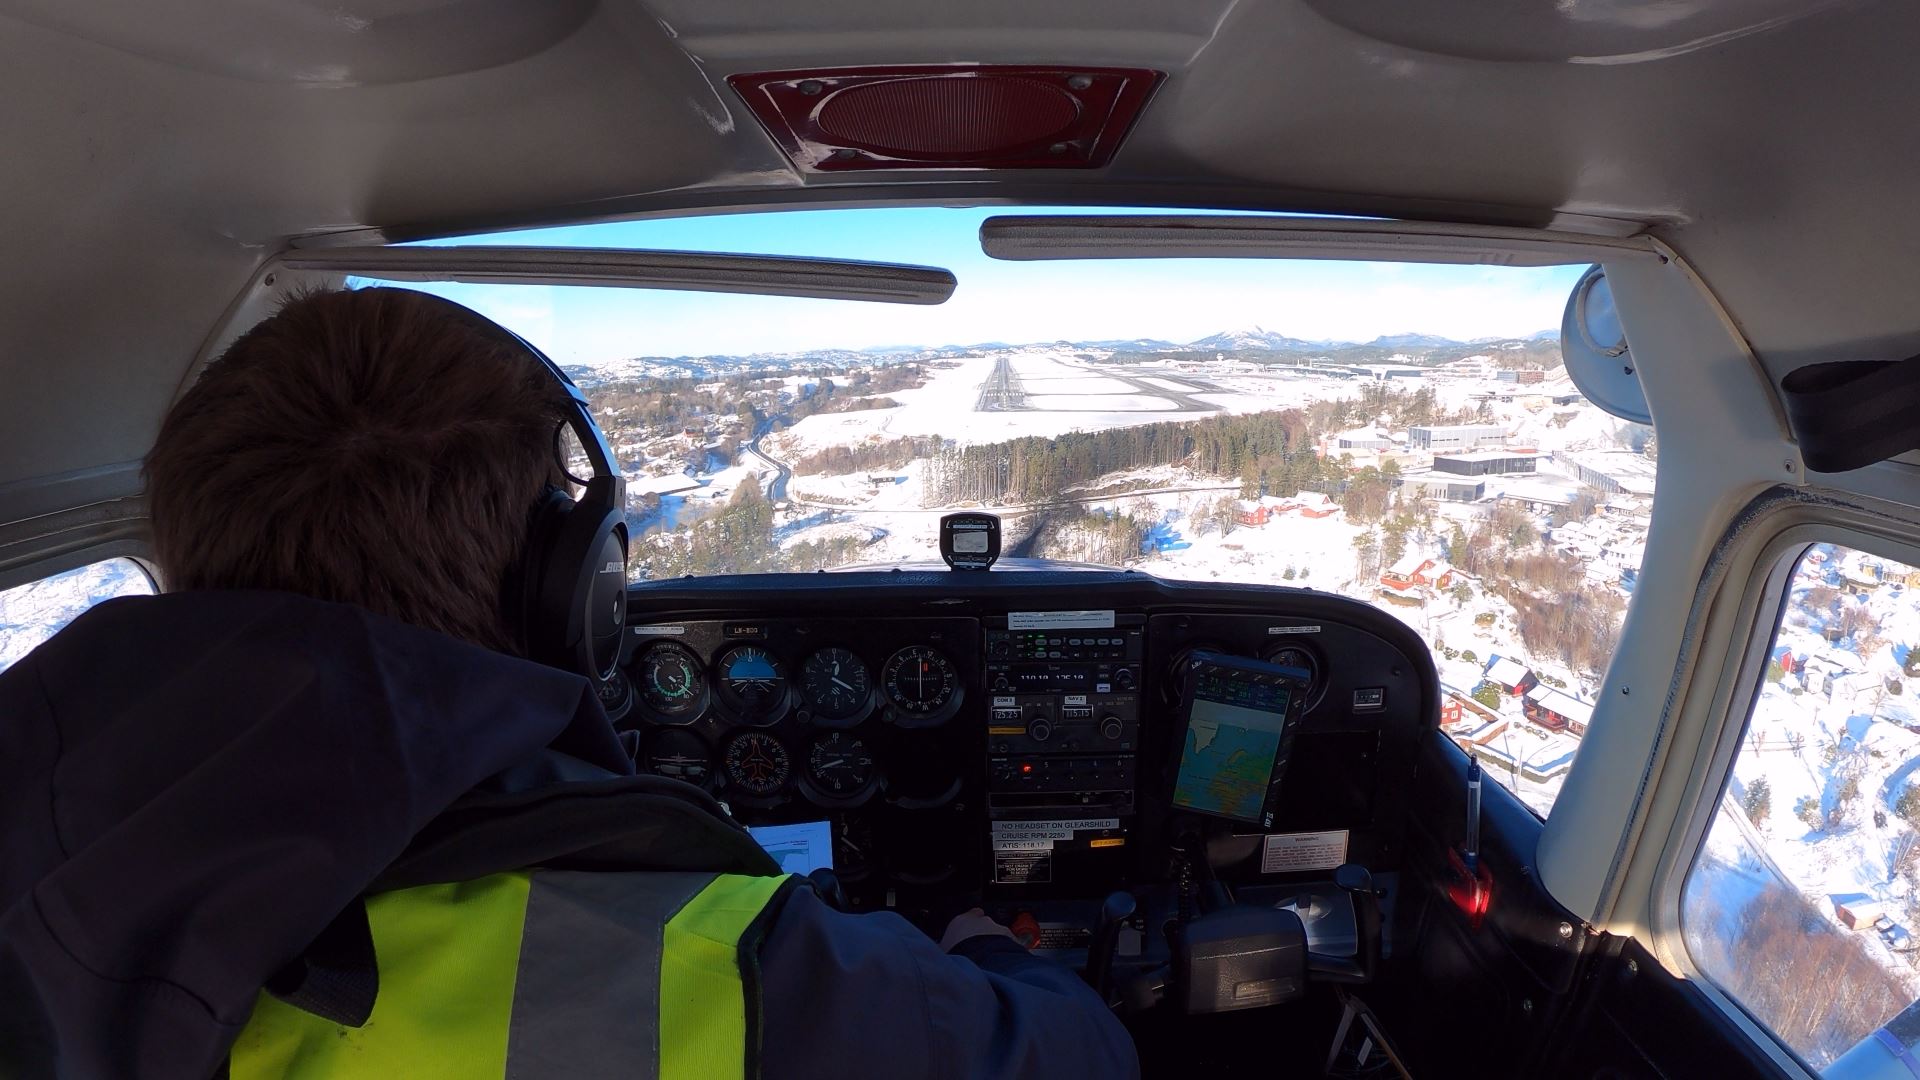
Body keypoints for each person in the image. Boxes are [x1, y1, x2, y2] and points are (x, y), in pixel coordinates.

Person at [0, 287, 1139, 1079]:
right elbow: (1085, 1056)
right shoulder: (730, 975)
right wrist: (987, 949)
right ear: (577, 593)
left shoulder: (40, 883)